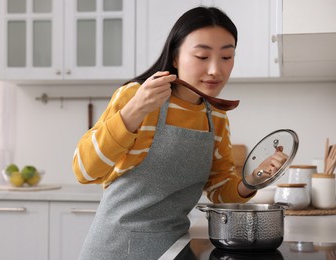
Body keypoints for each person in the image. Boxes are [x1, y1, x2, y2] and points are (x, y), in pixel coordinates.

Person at [73, 6, 287, 260]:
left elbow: (219, 189)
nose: (215, 70)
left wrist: (253, 178)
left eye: (226, 57)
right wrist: (134, 111)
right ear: (175, 57)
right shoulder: (136, 96)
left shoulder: (215, 116)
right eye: (202, 56)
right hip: (116, 247)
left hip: (175, 245)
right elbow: (84, 171)